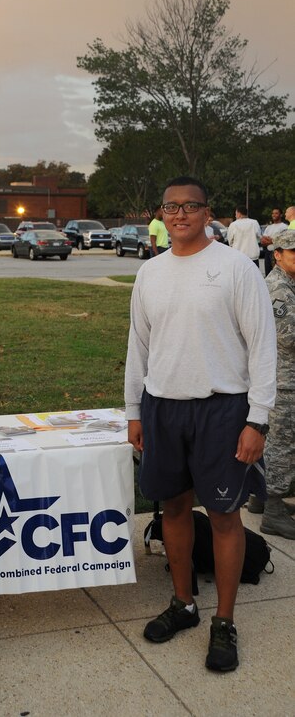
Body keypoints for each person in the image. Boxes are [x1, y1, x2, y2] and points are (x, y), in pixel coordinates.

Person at [125, 176, 276, 673]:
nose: (181, 214)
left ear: (207, 212)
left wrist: (257, 419)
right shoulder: (150, 273)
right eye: (172, 207)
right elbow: (138, 348)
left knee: (226, 515)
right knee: (172, 508)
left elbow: (262, 347)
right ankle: (184, 603)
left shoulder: (236, 268)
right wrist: (134, 411)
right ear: (161, 215)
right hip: (164, 407)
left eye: (191, 206)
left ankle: (224, 622)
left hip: (222, 408)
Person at [259, 229, 295, 538]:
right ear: (278, 255)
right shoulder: (279, 289)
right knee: (283, 445)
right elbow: (288, 337)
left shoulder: (289, 284)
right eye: (293, 252)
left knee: (274, 442)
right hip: (284, 382)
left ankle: (260, 497)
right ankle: (273, 509)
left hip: (283, 379)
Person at [260, 207, 286, 277]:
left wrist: (270, 239)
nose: (274, 215)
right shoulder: (269, 227)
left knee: (279, 275)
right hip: (268, 253)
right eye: (273, 213)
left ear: (281, 215)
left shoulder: (284, 227)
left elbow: (282, 241)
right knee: (268, 274)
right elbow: (262, 241)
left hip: (278, 253)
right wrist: (273, 240)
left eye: (276, 213)